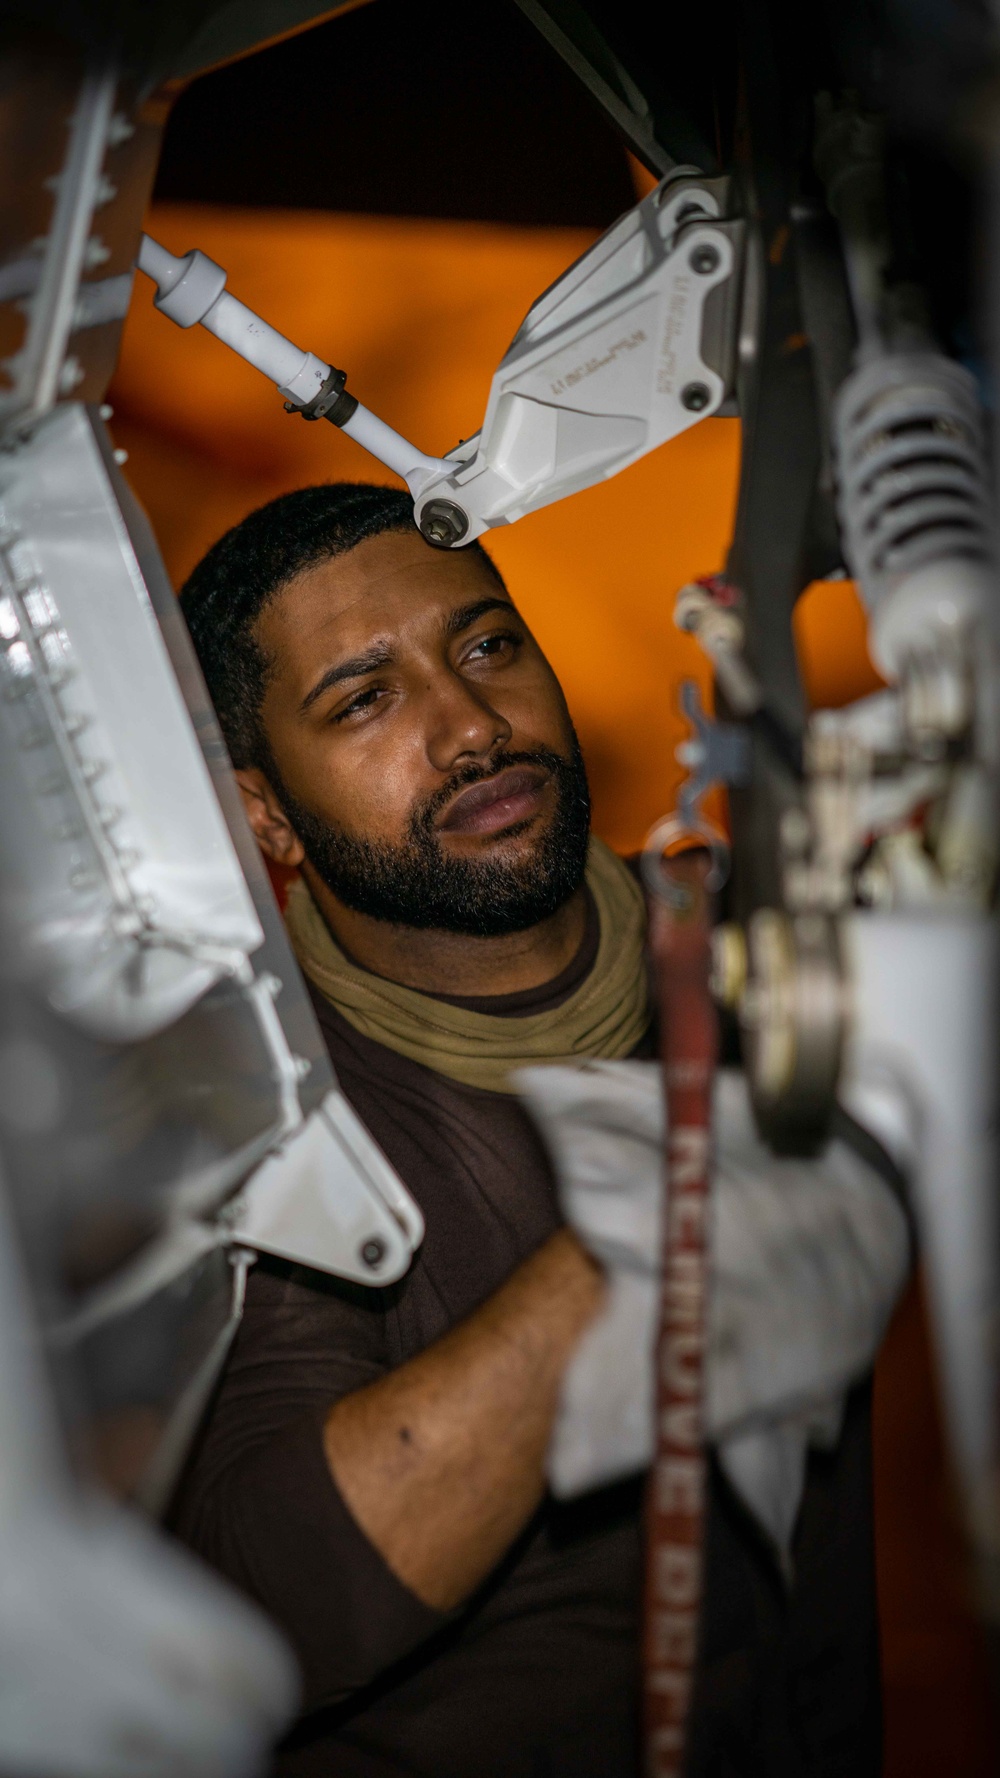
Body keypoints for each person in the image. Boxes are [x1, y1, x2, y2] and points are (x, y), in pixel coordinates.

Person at [173, 482, 881, 1778]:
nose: (470, 727)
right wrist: (659, 1205)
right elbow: (270, 1605)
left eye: (489, 645)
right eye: (364, 700)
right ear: (263, 812)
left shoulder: (760, 956)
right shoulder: (253, 1117)